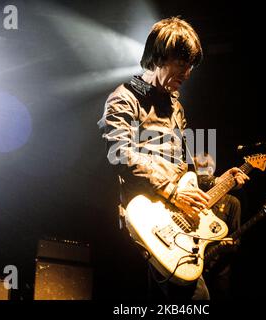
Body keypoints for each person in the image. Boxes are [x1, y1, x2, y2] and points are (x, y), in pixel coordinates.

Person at [98, 17, 249, 300]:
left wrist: (217, 180)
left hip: (174, 209)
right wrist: (170, 187)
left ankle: (207, 262)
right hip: (146, 213)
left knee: (231, 206)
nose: (188, 72)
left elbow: (182, 165)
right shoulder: (125, 97)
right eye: (182, 62)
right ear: (159, 55)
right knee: (196, 298)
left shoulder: (175, 107)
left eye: (191, 65)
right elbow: (119, 152)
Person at [193, 152, 244, 299]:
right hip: (191, 263)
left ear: (213, 169)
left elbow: (236, 241)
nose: (204, 171)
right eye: (200, 167)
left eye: (207, 167)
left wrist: (229, 244)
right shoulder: (192, 198)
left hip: (218, 269)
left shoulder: (232, 202)